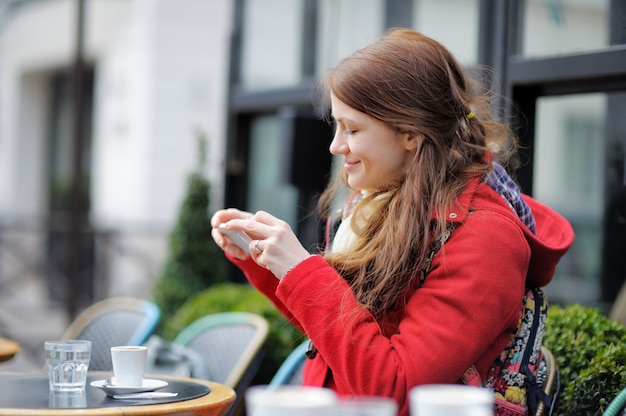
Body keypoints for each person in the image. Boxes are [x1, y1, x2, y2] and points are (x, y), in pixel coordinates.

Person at [210, 28, 574, 416]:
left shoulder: (485, 237)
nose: (336, 145)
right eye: (336, 125)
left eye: (352, 128)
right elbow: (345, 337)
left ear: (410, 133)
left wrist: (301, 271)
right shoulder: (375, 202)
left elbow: (395, 389)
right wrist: (266, 262)